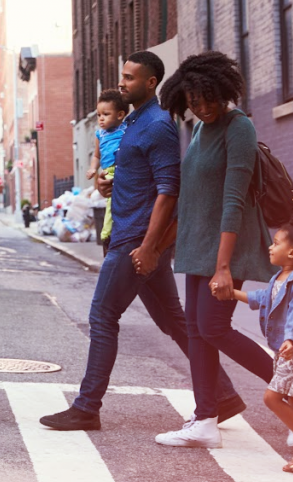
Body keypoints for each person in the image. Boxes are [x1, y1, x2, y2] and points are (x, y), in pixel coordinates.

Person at [40, 51, 243, 431]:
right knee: (174, 321)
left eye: (130, 78)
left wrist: (149, 248)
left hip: (134, 241)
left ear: (151, 82)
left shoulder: (157, 126)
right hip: (133, 235)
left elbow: (168, 192)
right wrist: (106, 183)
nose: (122, 83)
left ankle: (87, 407)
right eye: (123, 76)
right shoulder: (133, 124)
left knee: (102, 316)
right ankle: (225, 396)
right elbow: (140, 179)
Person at [154, 53, 274, 448]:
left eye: (207, 99)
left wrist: (224, 267)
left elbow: (234, 200)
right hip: (198, 247)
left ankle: (291, 385)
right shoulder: (202, 130)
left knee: (213, 327)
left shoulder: (238, 128)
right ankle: (205, 418)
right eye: (193, 100)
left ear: (223, 92)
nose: (201, 107)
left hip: (227, 247)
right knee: (196, 330)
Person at [231, 216, 293, 472]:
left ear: (291, 252)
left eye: (275, 243)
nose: (270, 247)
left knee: (272, 398)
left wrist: (291, 340)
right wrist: (232, 294)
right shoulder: (281, 276)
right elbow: (263, 297)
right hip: (289, 349)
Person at [86, 89, 128, 250]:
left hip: (122, 168)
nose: (101, 118)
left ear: (119, 115)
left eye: (106, 114)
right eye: (98, 115)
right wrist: (92, 169)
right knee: (110, 202)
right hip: (108, 171)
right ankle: (107, 233)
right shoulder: (100, 135)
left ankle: (107, 233)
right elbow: (96, 156)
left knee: (115, 204)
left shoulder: (125, 129)